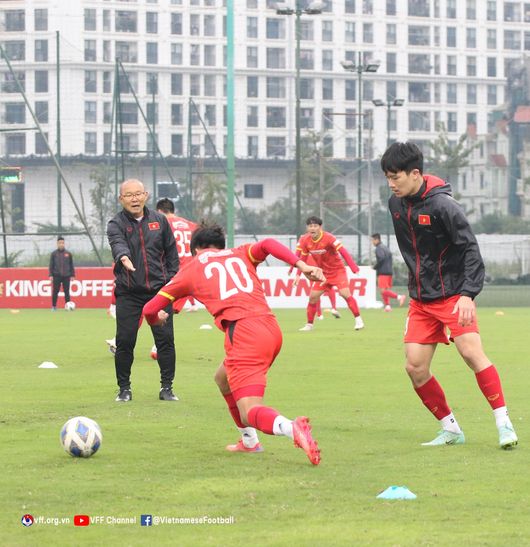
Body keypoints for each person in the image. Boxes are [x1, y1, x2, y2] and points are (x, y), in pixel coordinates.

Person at [142, 223, 322, 465]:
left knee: (250, 411)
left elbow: (149, 309)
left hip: (244, 333)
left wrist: (157, 319)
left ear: (195, 249)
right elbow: (268, 244)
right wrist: (302, 264)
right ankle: (249, 442)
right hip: (270, 327)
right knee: (222, 378)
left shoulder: (191, 268)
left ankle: (292, 428)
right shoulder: (240, 253)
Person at [380, 141, 518, 449]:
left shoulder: (444, 206)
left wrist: (468, 294)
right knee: (415, 367)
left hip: (455, 296)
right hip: (421, 300)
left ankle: (504, 424)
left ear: (415, 173)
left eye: (396, 177)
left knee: (471, 353)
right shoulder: (395, 204)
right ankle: (451, 429)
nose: (391, 184)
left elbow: (469, 248)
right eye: (387, 178)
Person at [107, 179, 179, 403]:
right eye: (129, 195)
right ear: (121, 199)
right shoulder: (115, 223)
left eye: (138, 194)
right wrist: (124, 257)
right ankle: (124, 389)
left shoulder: (160, 221)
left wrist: (170, 285)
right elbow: (118, 244)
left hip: (159, 293)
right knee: (125, 341)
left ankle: (167, 388)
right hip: (128, 293)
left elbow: (172, 255)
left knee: (165, 340)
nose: (134, 199)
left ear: (146, 195)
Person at [294, 216, 364, 331]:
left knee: (345, 294)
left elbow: (343, 252)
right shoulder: (305, 240)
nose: (313, 228)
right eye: (310, 226)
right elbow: (303, 260)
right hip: (323, 274)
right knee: (312, 298)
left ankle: (359, 321)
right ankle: (309, 325)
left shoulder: (329, 238)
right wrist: (298, 275)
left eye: (315, 226)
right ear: (307, 228)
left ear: (320, 227)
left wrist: (353, 267)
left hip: (337, 271)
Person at [155, 198, 199, 313]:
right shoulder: (190, 224)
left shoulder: (163, 224)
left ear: (159, 211)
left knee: (164, 303)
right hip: (191, 264)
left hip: (174, 265)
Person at [370, 233, 406, 312]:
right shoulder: (386, 247)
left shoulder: (378, 248)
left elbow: (381, 258)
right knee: (384, 290)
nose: (372, 242)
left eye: (372, 240)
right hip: (389, 271)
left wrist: (375, 267)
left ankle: (399, 297)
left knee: (383, 291)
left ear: (377, 240)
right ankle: (387, 306)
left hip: (383, 272)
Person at [49, 236, 75, 311]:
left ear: (64, 244)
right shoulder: (54, 254)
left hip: (66, 276)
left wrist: (72, 275)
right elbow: (51, 265)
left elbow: (71, 265)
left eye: (63, 243)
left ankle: (68, 306)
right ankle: (54, 306)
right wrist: (50, 275)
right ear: (57, 244)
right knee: (55, 291)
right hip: (56, 275)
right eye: (60, 243)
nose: (61, 244)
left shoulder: (68, 254)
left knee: (67, 292)